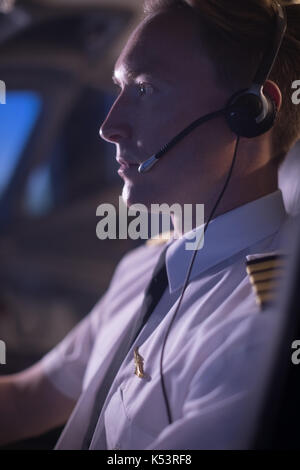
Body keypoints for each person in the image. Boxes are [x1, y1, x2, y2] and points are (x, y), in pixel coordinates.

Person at [1, 0, 300, 450]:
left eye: (144, 90)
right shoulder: (146, 266)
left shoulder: (261, 327)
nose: (109, 126)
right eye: (119, 88)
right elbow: (27, 401)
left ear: (251, 112)